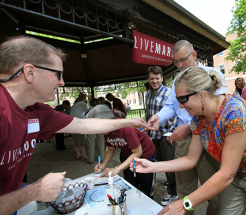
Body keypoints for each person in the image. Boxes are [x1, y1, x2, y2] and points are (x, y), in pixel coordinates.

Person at [0, 35, 147, 215]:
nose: (62, 82)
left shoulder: (38, 112)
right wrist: (34, 191)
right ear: (30, 72)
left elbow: (84, 125)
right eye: (58, 74)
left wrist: (130, 121)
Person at [134, 67, 246, 215]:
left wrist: (185, 203)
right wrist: (152, 167)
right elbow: (190, 159)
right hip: (238, 175)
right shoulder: (199, 119)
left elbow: (226, 174)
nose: (181, 106)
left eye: (183, 99)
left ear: (202, 95)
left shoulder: (234, 111)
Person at [146, 40, 227, 215]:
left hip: (207, 137)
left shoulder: (212, 75)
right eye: (176, 62)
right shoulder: (177, 79)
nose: (180, 65)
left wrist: (189, 127)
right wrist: (158, 117)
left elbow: (219, 109)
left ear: (194, 55)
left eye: (183, 59)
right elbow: (171, 106)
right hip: (182, 140)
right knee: (184, 188)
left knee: (213, 189)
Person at [89, 105, 156, 198]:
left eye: (99, 128)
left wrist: (117, 169)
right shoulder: (106, 130)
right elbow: (110, 148)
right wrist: (103, 165)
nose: (99, 132)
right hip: (127, 156)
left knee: (146, 188)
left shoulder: (126, 128)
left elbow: (138, 152)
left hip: (144, 155)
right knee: (130, 185)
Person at [145, 66, 178, 205]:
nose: (154, 81)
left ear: (162, 78)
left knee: (170, 165)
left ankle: (173, 193)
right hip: (154, 135)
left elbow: (177, 114)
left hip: (166, 136)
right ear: (148, 79)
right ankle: (170, 183)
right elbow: (148, 114)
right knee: (160, 162)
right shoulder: (148, 93)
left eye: (157, 78)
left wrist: (171, 133)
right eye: (152, 78)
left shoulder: (169, 93)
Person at [85, 98, 106, 164]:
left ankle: (91, 159)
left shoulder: (87, 111)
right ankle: (102, 157)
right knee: (101, 143)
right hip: (100, 127)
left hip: (90, 128)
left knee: (91, 143)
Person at [70, 92, 88, 160]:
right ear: (84, 98)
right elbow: (86, 113)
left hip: (71, 124)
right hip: (79, 124)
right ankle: (83, 155)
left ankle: (78, 155)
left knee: (75, 140)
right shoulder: (83, 104)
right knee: (81, 140)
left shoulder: (74, 104)